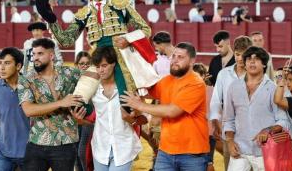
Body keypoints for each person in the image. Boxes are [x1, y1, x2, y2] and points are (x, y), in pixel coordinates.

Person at [36, 0, 155, 104]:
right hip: (98, 59)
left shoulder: (121, 5)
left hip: (121, 57)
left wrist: (128, 39)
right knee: (78, 101)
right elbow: (66, 40)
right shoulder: (84, 13)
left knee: (126, 102)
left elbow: (146, 29)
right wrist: (51, 20)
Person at [120, 42, 210, 170]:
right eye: (173, 56)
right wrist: (130, 53)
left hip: (192, 153)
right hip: (166, 150)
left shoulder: (196, 83)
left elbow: (173, 111)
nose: (174, 60)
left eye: (180, 57)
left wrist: (139, 105)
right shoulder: (167, 80)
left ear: (192, 61)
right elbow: (146, 91)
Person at [72, 47, 142, 171]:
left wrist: (135, 114)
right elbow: (94, 120)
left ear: (113, 64)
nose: (101, 70)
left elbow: (144, 119)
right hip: (100, 147)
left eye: (104, 65)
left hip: (124, 147)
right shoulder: (92, 89)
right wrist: (80, 121)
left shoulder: (126, 87)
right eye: (97, 67)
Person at [18, 38, 83, 170]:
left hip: (65, 142)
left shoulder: (70, 73)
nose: (35, 58)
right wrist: (61, 103)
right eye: (34, 54)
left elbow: (94, 78)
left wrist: (84, 112)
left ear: (51, 55)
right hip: (37, 141)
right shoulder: (26, 79)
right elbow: (28, 110)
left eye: (40, 54)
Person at [223, 46, 289, 171]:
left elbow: (283, 121)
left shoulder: (273, 89)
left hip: (265, 151)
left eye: (257, 59)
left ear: (264, 64)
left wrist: (267, 131)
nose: (252, 62)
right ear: (245, 63)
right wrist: (230, 141)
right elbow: (228, 119)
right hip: (239, 149)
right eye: (249, 59)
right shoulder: (233, 87)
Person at [209, 36, 252, 171]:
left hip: (252, 131)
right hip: (230, 130)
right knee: (230, 164)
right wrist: (215, 121)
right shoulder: (224, 74)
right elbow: (216, 99)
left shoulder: (257, 74)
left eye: (244, 55)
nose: (240, 58)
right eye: (237, 54)